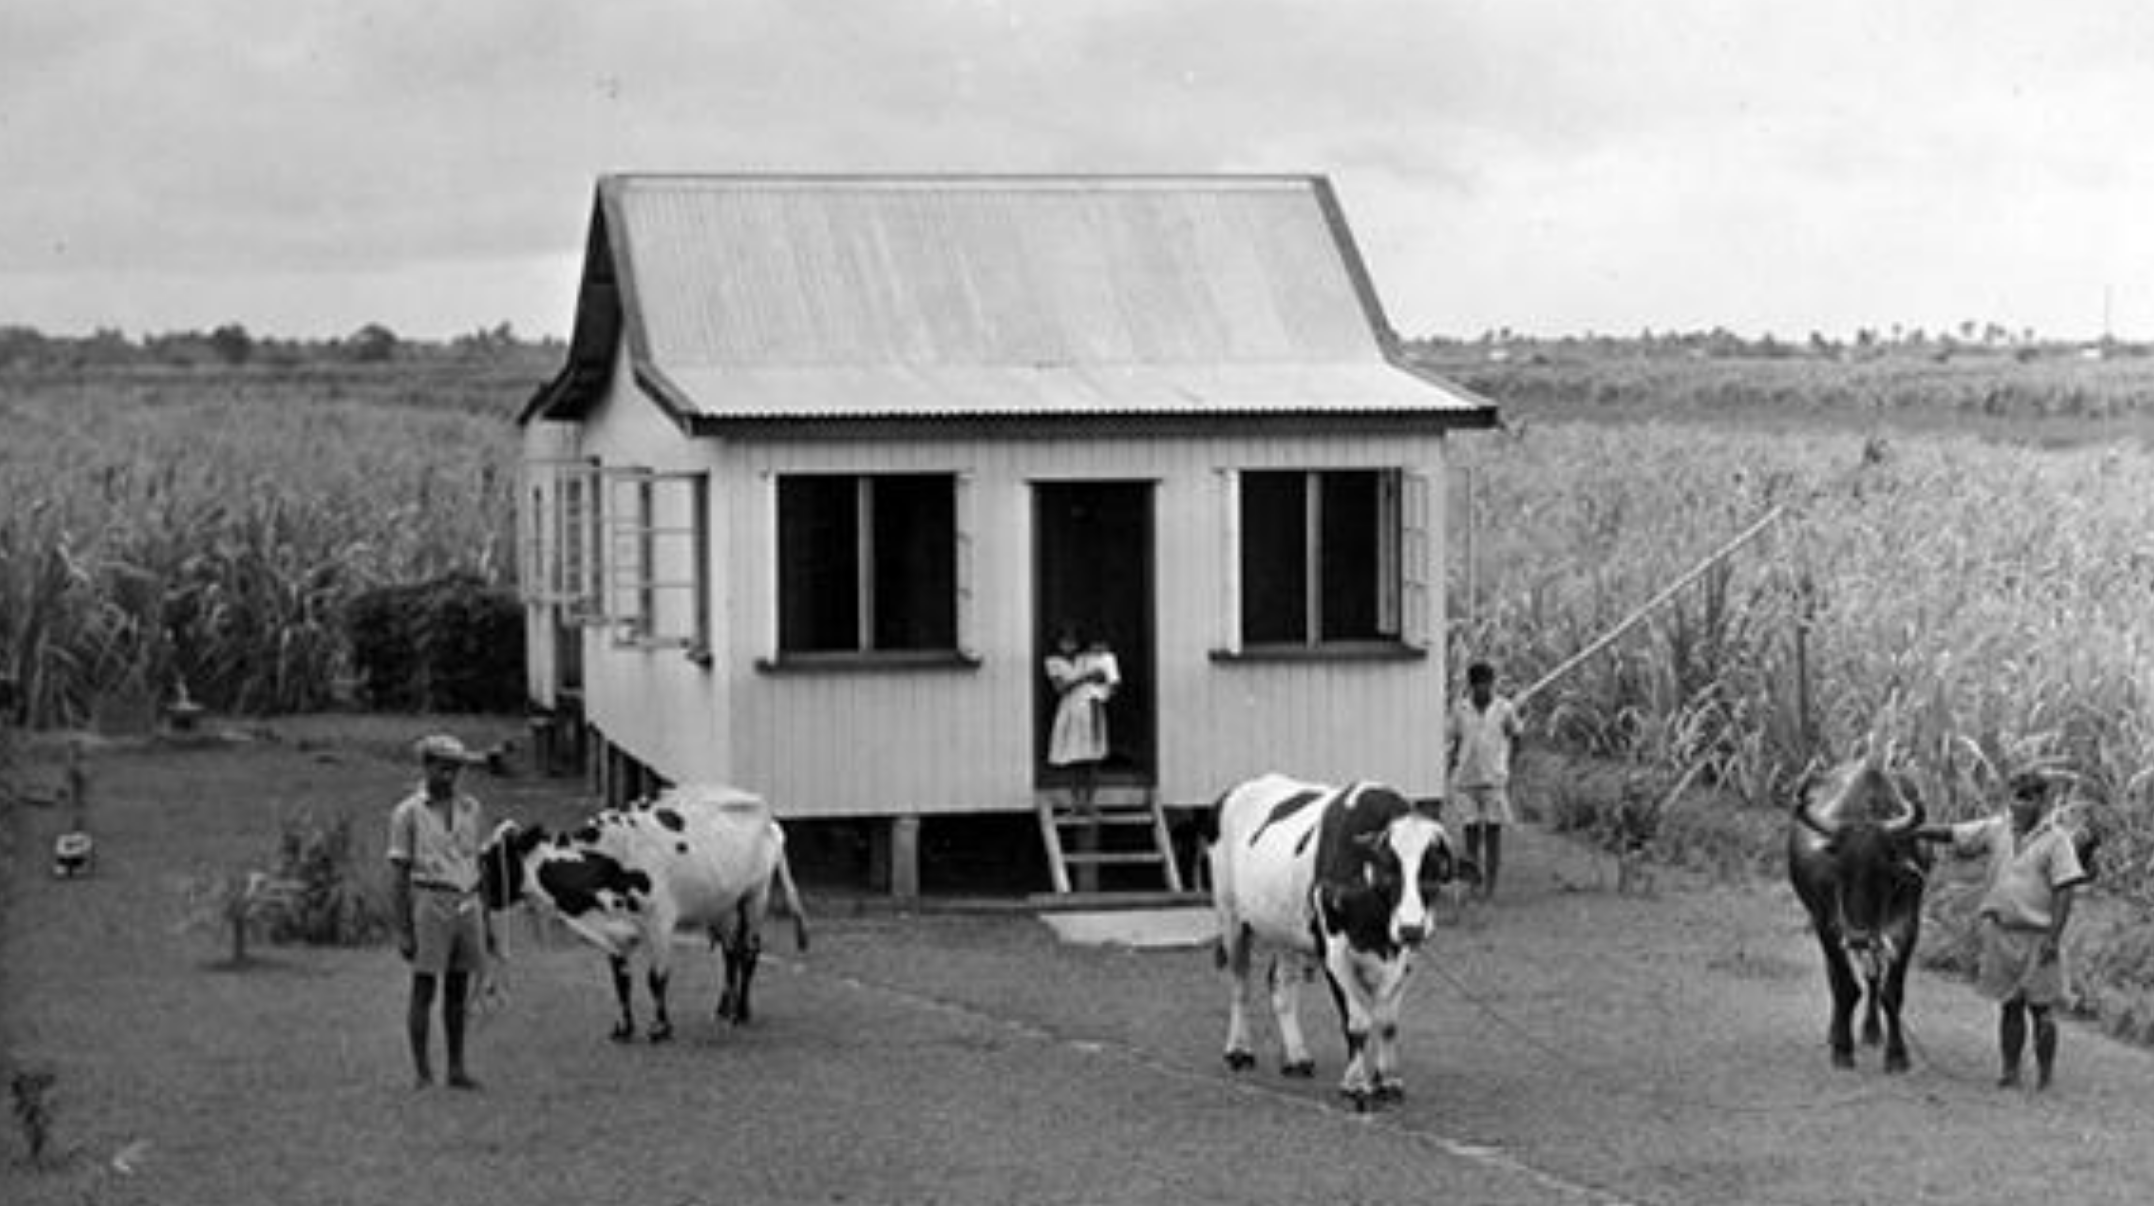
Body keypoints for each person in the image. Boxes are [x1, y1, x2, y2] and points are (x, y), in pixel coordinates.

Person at [1918, 770, 2091, 1090]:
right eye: (2016, 797)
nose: (2020, 804)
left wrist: (2053, 938)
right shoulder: (1997, 830)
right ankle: (2010, 1072)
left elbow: (2065, 890)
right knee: (2009, 1005)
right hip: (2001, 931)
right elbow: (1953, 833)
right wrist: (1914, 831)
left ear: (2042, 801)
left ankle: (2045, 1077)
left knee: (2041, 1008)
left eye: (2028, 798)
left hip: (2039, 935)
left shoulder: (2057, 840)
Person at [387, 734, 495, 1090]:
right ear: (427, 766)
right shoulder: (408, 813)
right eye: (442, 767)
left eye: (455, 768)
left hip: (467, 898)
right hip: (429, 898)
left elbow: (479, 863)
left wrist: (486, 919)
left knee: (458, 988)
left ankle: (456, 1068)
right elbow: (399, 873)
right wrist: (403, 929)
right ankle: (422, 1072)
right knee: (424, 987)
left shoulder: (471, 809)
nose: (449, 775)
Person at [1447, 661, 1523, 900]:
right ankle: (1473, 884)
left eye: (1486, 684)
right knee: (1470, 833)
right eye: (1478, 685)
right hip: (1466, 780)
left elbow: (1516, 736)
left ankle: (1490, 887)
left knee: (1492, 832)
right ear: (1471, 686)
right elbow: (1455, 740)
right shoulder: (1460, 709)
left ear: (1492, 684)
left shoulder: (1504, 709)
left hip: (1494, 779)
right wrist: (1452, 767)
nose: (1482, 689)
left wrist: (1509, 765)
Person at [1045, 626, 1117, 812]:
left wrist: (1100, 675)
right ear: (1058, 643)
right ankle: (1076, 803)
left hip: (1091, 708)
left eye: (1073, 641)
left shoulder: (1086, 658)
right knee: (1073, 758)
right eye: (1065, 641)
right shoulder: (1053, 662)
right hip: (1070, 711)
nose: (1069, 645)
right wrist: (1085, 677)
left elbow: (1102, 675)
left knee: (1093, 758)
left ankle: (1090, 802)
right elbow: (1060, 688)